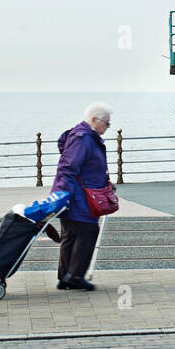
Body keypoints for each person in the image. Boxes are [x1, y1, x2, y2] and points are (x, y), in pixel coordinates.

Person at [51, 102, 113, 291]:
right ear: (94, 120)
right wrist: (65, 195)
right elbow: (68, 168)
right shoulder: (83, 138)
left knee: (71, 234)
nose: (107, 128)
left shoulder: (84, 136)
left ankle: (65, 277)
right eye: (106, 123)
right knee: (87, 231)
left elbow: (85, 167)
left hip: (78, 193)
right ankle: (75, 276)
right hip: (78, 197)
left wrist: (104, 182)